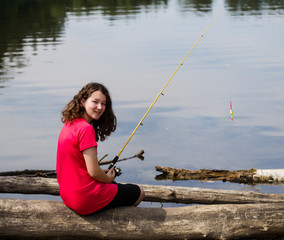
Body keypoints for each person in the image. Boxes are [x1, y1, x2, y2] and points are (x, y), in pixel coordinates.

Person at [56, 82, 144, 215]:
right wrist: (107, 179)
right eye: (95, 102)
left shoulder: (70, 123)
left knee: (115, 187)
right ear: (83, 101)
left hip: (67, 195)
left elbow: (78, 164)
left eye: (103, 104)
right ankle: (118, 225)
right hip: (84, 198)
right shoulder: (86, 129)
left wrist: (101, 173)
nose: (100, 107)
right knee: (139, 192)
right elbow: (93, 172)